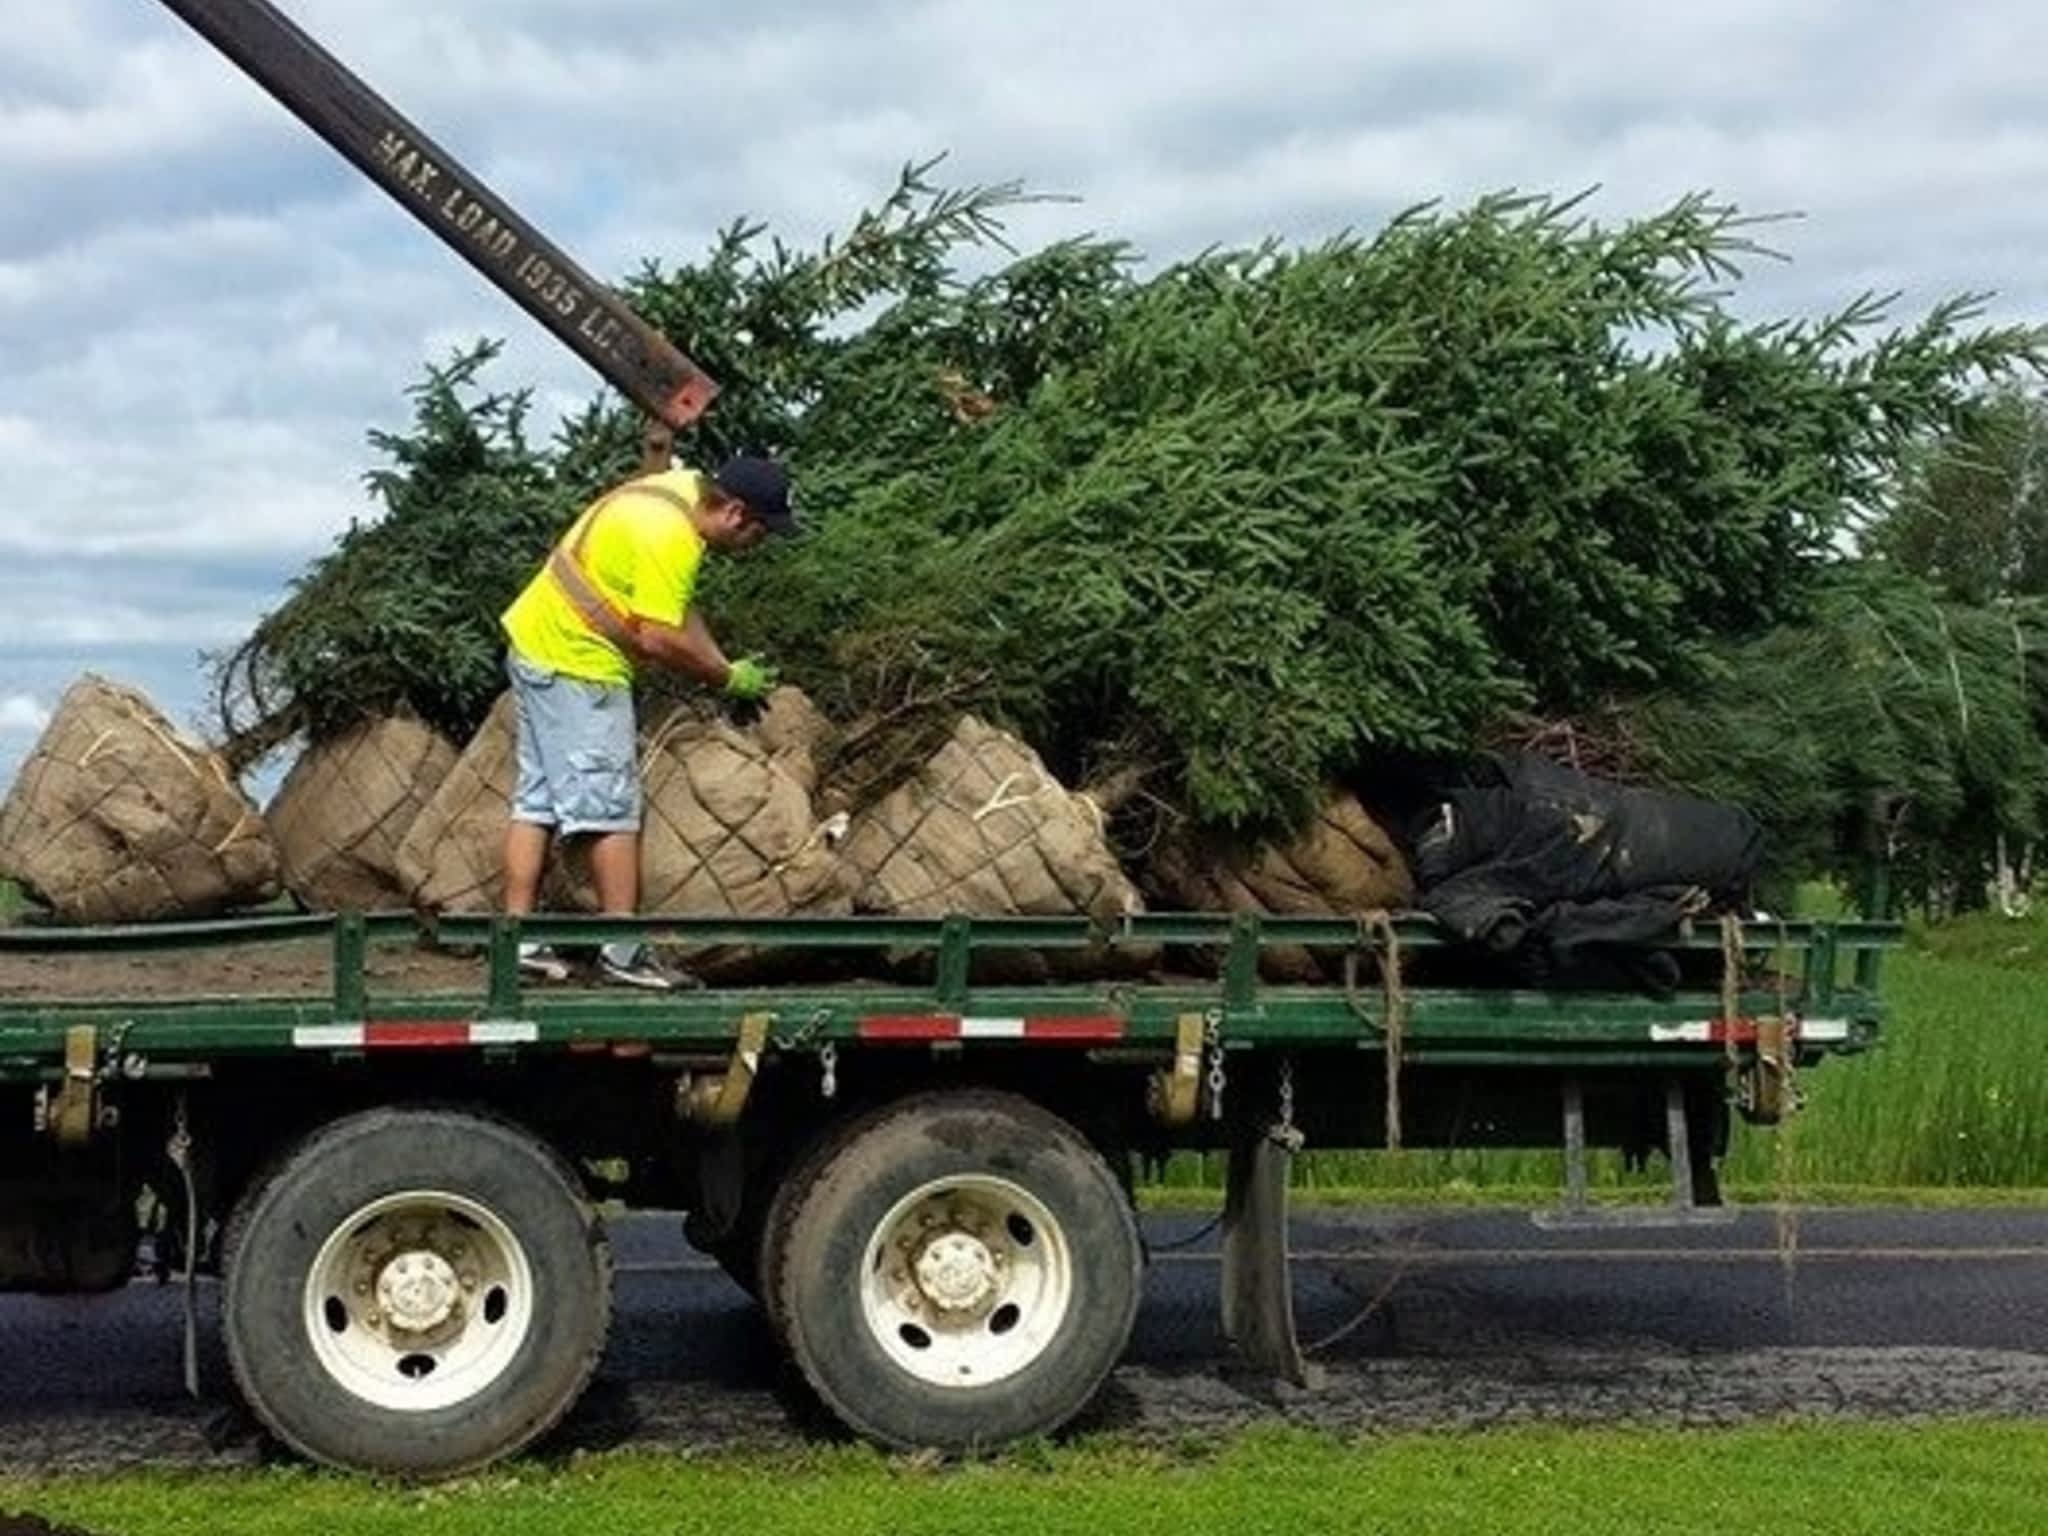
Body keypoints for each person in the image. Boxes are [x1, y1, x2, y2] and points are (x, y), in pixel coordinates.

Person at [498, 454, 796, 987]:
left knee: (537, 799)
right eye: (760, 534)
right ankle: (624, 955)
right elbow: (659, 638)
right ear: (734, 513)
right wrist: (724, 681)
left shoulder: (678, 492)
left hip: (536, 647)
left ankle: (517, 943)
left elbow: (674, 609)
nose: (757, 546)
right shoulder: (671, 537)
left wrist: (725, 665)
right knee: (612, 809)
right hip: (579, 668)